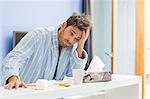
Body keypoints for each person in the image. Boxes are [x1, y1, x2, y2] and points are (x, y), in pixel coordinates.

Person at [1, 12, 92, 89]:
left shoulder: (72, 49)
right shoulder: (38, 35)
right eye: (71, 33)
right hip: (21, 91)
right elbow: (14, 57)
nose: (71, 40)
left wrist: (80, 45)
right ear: (64, 25)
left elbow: (74, 78)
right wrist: (13, 78)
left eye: (77, 39)